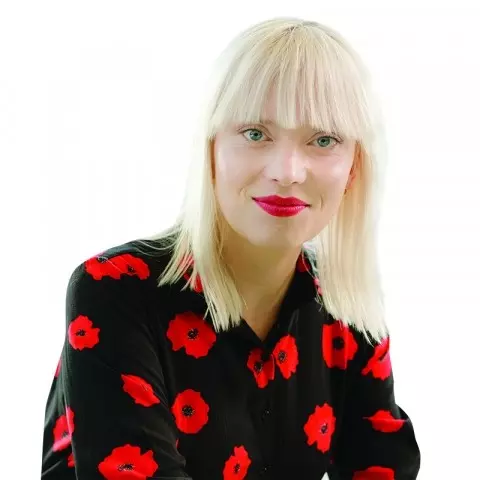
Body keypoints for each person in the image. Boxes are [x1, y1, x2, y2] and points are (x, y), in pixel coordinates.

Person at [41, 16, 421, 480]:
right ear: (211, 149)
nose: (287, 172)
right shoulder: (114, 292)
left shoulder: (347, 309)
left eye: (323, 140)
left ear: (353, 169)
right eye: (256, 133)